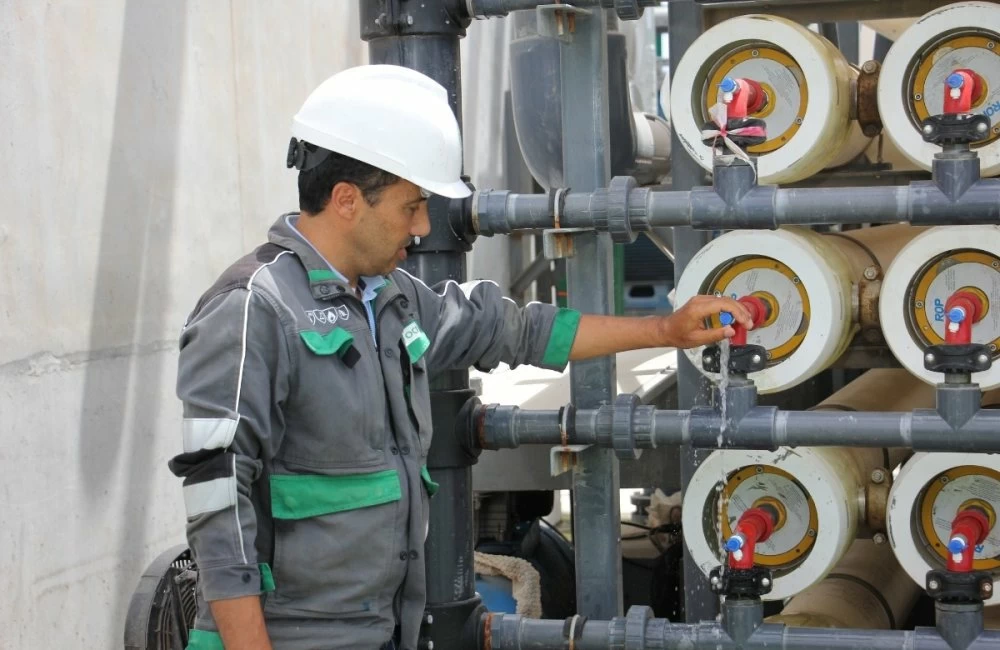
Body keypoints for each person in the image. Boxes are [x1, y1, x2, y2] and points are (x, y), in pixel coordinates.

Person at [168, 64, 752, 650]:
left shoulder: (390, 300)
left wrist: (665, 329)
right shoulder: (252, 309)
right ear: (347, 200)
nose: (422, 226)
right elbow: (219, 503)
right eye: (410, 205)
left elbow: (513, 329)